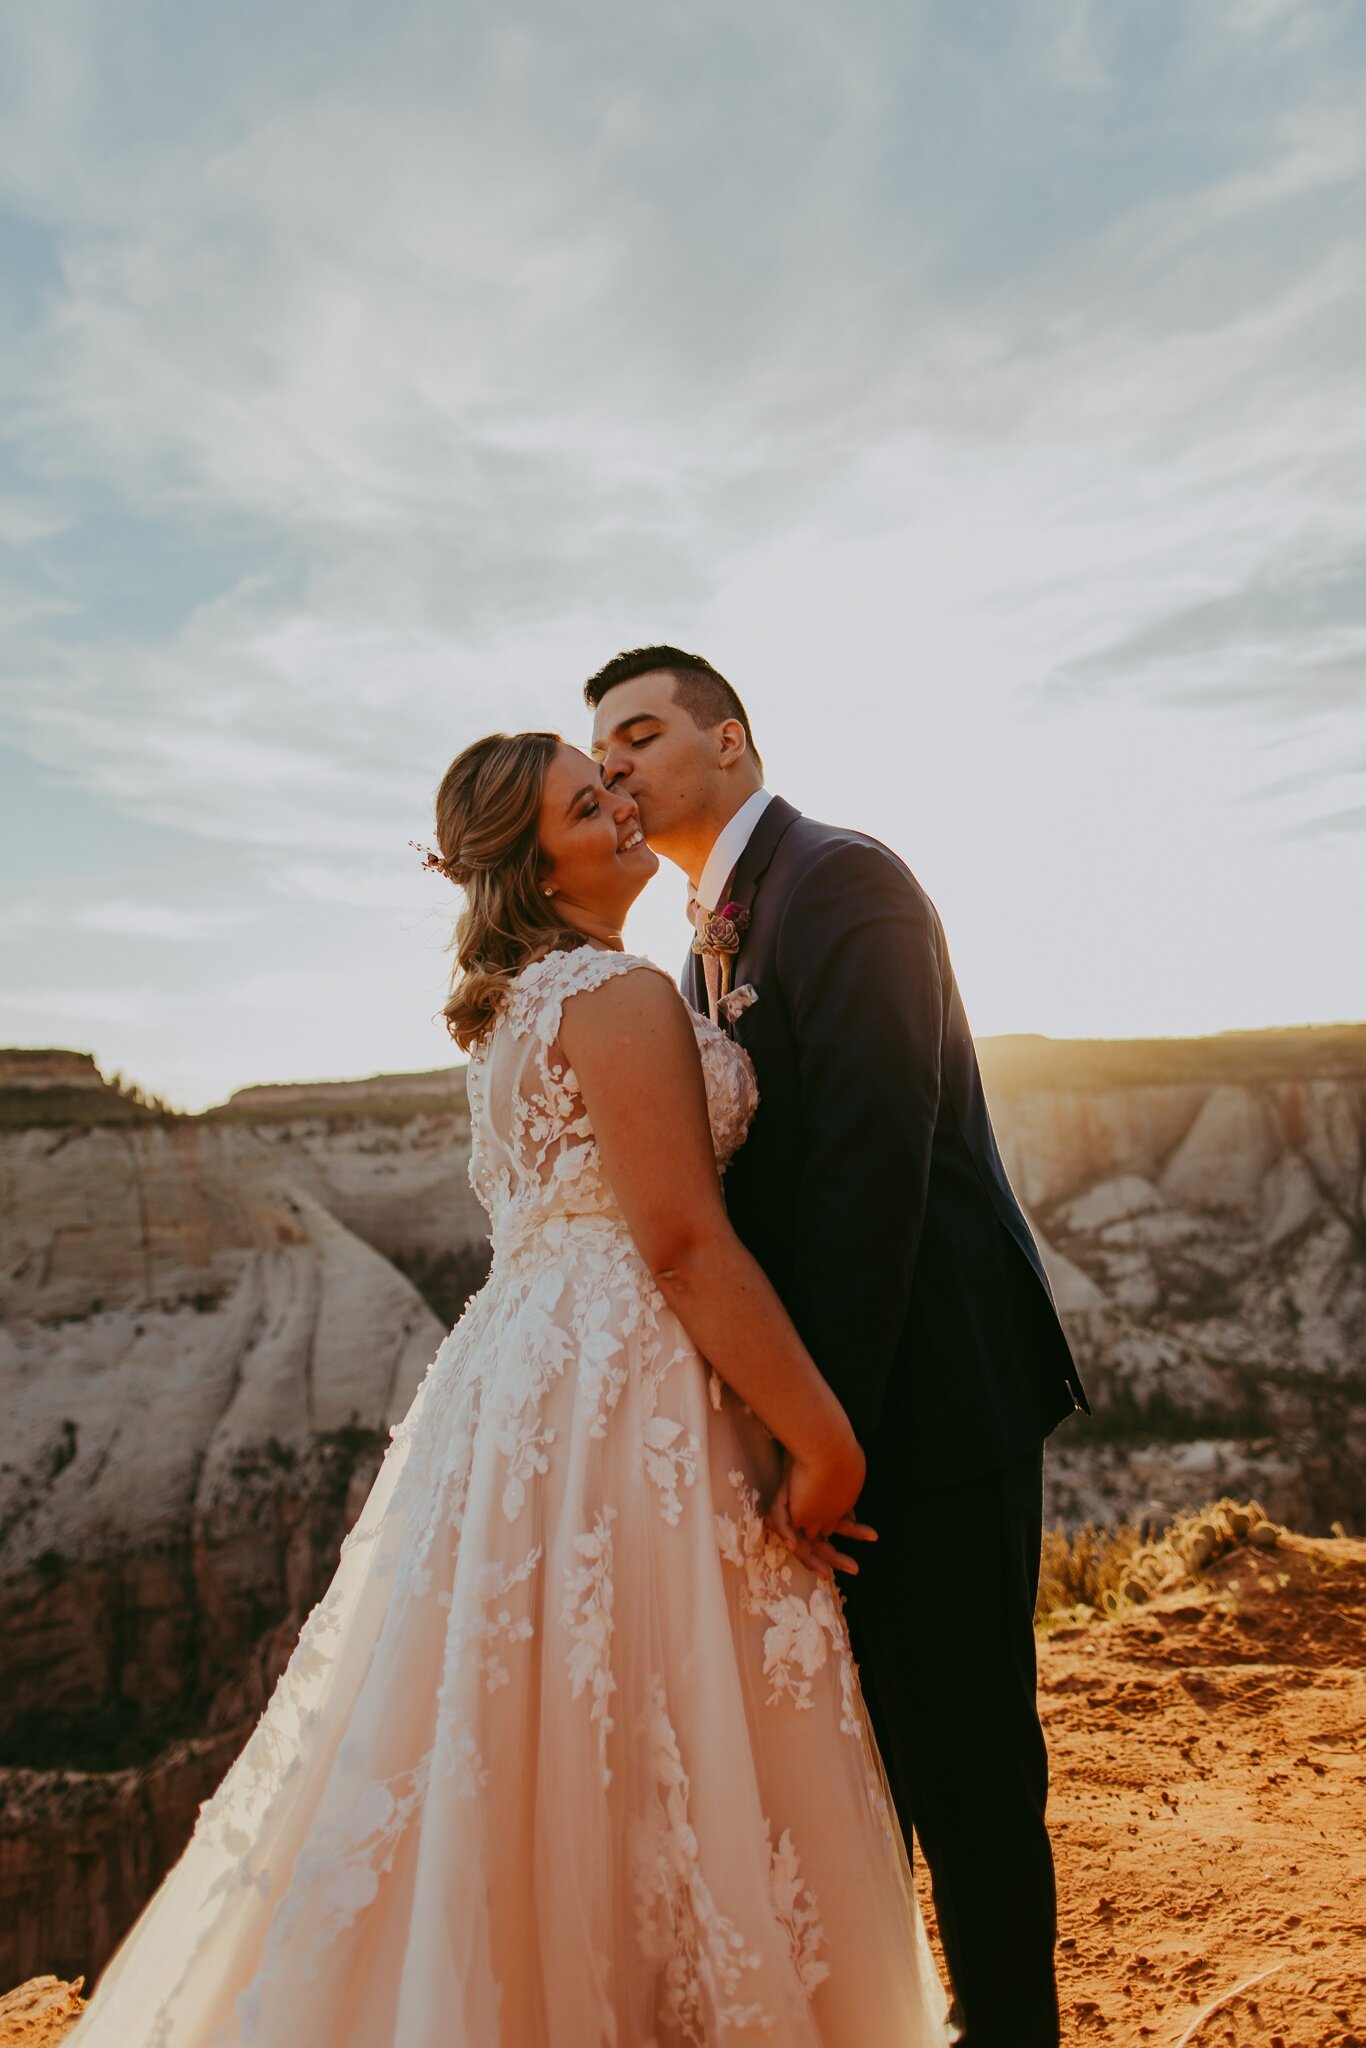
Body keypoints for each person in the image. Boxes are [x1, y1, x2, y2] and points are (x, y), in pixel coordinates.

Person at [64, 730, 949, 2048]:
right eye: (585, 806)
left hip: (526, 1379)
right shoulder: (616, 992)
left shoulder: (523, 1004)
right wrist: (822, 1439)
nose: (620, 812)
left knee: (528, 1720)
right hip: (627, 1376)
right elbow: (682, 1241)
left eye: (609, 788)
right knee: (652, 1706)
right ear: (531, 863)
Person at [588, 647, 1091, 2048]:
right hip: (832, 1417)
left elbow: (875, 1167)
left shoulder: (843, 879)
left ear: (730, 740)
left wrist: (831, 1440)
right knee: (863, 1769)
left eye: (640, 733)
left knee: (972, 1772)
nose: (614, 765)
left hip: (925, 1411)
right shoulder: (706, 931)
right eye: (600, 749)